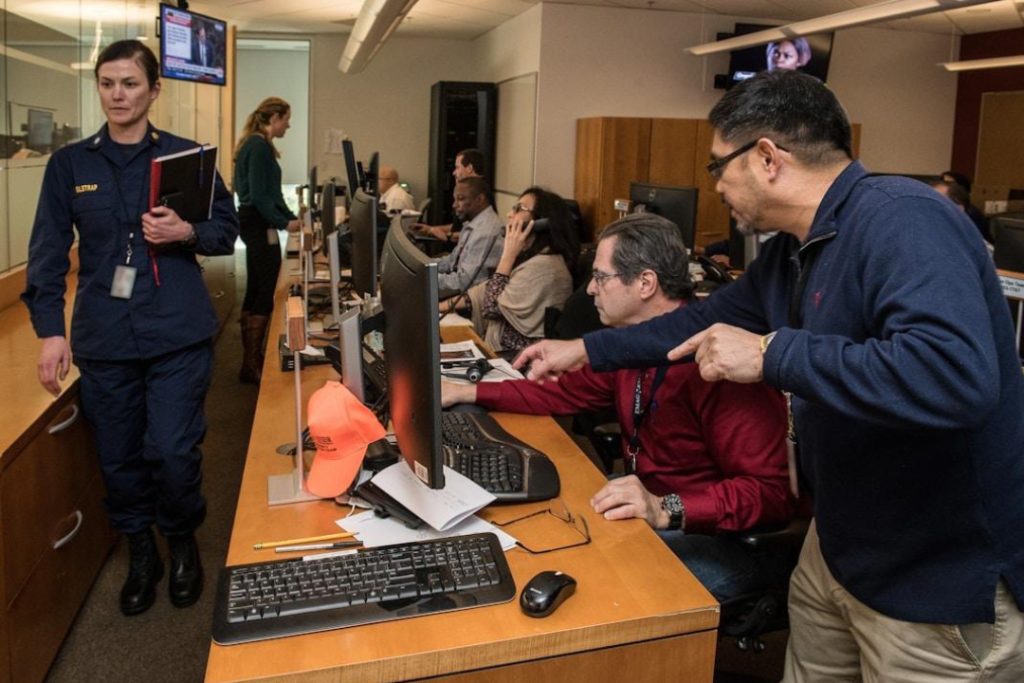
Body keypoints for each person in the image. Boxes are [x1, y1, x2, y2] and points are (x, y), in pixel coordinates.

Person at [516, 70, 1024, 680]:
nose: (717, 187)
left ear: (766, 157)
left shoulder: (905, 220)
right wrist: (585, 351)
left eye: (717, 167)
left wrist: (771, 353)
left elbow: (954, 376)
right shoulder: (795, 247)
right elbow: (701, 321)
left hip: (932, 577)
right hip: (839, 547)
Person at [443, 213, 793, 600]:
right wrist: (467, 393)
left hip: (713, 534)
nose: (590, 290)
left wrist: (665, 507)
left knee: (596, 594)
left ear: (645, 283)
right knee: (530, 534)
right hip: (646, 504)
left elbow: (771, 494)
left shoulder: (717, 365)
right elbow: (561, 393)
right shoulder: (630, 345)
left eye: (600, 277)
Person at [21, 39, 239, 617]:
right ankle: (141, 551)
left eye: (130, 84)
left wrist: (185, 234)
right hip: (104, 335)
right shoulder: (71, 164)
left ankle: (182, 537)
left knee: (170, 450)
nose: (118, 94)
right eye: (108, 83)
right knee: (118, 457)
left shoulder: (188, 158)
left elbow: (226, 232)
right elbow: (46, 251)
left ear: (153, 90)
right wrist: (50, 330)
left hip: (177, 332)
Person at [443, 187, 578, 354]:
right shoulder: (531, 259)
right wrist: (440, 307)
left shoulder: (545, 267)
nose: (509, 214)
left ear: (540, 222)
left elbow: (490, 307)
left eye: (519, 209)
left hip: (513, 359)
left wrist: (508, 255)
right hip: (500, 353)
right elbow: (484, 291)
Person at [233, 97, 302, 384]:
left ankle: (252, 359)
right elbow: (261, 197)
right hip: (257, 223)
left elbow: (271, 194)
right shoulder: (258, 147)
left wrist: (289, 215)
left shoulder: (256, 144)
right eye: (286, 118)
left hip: (256, 222)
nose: (288, 124)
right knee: (263, 287)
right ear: (274, 118)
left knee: (256, 286)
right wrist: (283, 222)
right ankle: (251, 363)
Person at [436, 176, 503, 297]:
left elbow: (463, 283)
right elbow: (453, 260)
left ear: (480, 199)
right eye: (454, 200)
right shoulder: (473, 224)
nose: (454, 205)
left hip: (466, 299)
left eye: (460, 199)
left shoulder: (485, 232)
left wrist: (426, 277)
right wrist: (424, 266)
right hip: (458, 291)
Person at [415, 148, 485, 243]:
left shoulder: (479, 194)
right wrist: (430, 229)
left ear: (469, 168)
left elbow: (479, 234)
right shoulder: (476, 190)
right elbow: (459, 227)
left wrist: (448, 236)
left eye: (457, 167)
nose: (453, 173)